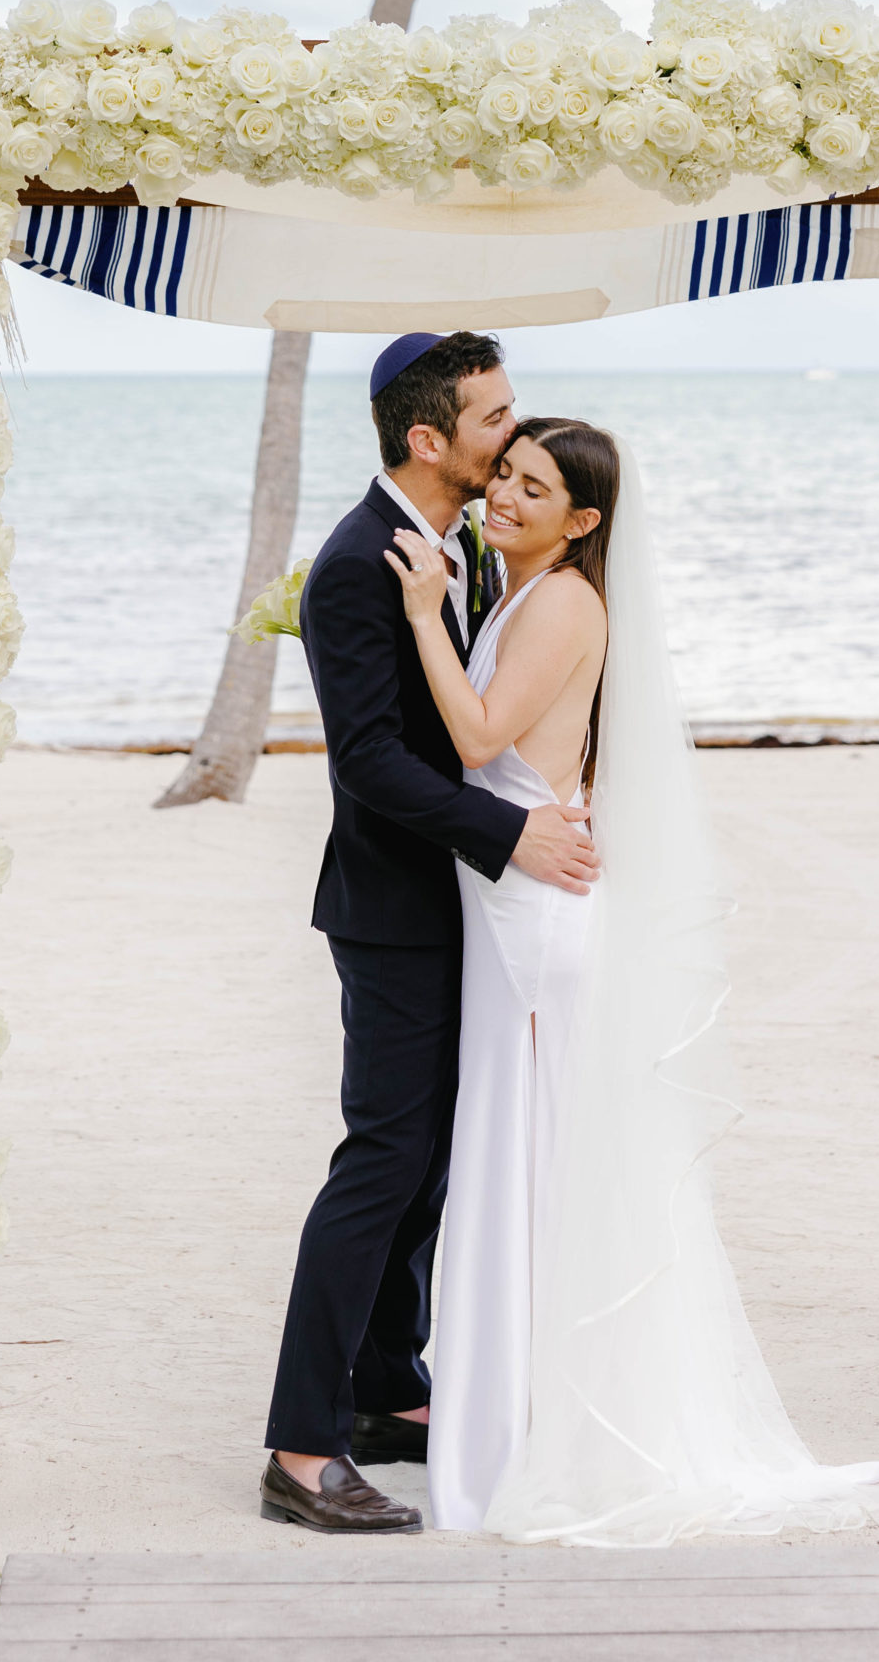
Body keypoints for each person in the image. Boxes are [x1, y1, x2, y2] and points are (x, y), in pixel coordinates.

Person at [387, 416, 879, 1545]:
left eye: (536, 490)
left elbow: (483, 737)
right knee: (533, 1168)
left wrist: (426, 616)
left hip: (538, 925)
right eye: (507, 477)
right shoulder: (524, 587)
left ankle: (544, 1435)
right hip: (516, 904)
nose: (507, 498)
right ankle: (520, 1420)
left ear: (585, 521)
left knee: (540, 1169)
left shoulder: (568, 598)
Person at [260, 334, 598, 1536]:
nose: (513, 434)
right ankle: (300, 1451)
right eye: (495, 417)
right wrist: (511, 839)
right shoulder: (361, 562)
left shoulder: (454, 546)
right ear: (428, 439)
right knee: (382, 1162)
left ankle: (381, 1388)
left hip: (456, 907)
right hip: (398, 913)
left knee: (434, 1163)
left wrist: (548, 799)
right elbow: (369, 766)